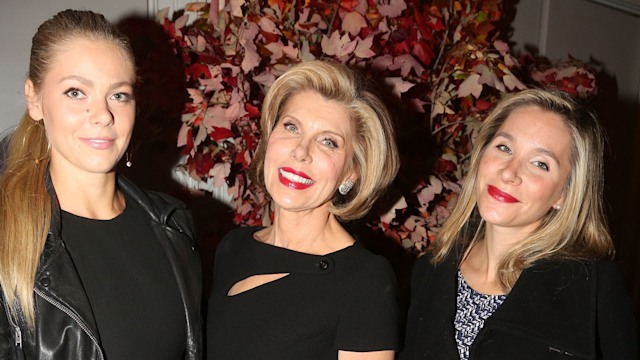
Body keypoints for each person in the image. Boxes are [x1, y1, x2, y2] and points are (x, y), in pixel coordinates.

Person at [0, 10, 202, 359]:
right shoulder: (6, 234)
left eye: (119, 95)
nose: (103, 115)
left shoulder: (174, 225)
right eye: (76, 92)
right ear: (34, 99)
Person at [400, 89, 638, 359]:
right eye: (504, 147)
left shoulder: (593, 291)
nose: (509, 172)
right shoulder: (431, 268)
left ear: (564, 194)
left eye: (540, 163)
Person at [206, 60, 401, 359]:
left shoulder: (365, 280)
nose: (300, 151)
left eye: (328, 142)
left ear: (351, 173)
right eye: (291, 127)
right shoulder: (233, 247)